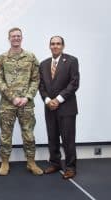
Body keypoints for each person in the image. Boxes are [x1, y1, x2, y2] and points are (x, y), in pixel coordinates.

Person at [0, 27, 43, 176]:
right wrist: (13, 97)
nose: (16, 38)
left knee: (29, 134)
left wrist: (27, 97)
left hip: (26, 104)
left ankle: (31, 162)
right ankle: (4, 162)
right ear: (9, 38)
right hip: (7, 104)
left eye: (18, 36)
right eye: (13, 36)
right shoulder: (2, 58)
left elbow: (36, 80)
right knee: (5, 134)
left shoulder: (31, 57)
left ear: (21, 38)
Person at [39, 36, 80, 179]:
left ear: (63, 46)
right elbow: (41, 86)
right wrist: (48, 100)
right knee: (52, 137)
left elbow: (74, 83)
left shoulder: (71, 61)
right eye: (53, 44)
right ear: (49, 46)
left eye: (58, 44)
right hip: (49, 107)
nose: (55, 46)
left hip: (66, 107)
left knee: (68, 139)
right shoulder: (43, 64)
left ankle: (70, 167)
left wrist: (58, 99)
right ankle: (55, 163)